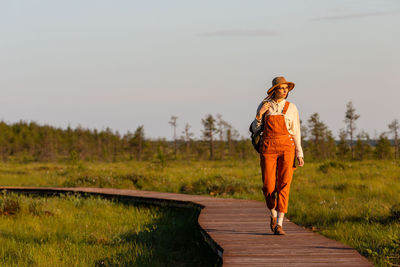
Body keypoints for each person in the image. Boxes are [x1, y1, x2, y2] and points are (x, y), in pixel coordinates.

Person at [251, 76, 304, 235]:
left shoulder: (292, 107)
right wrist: (259, 114)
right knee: (268, 185)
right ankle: (272, 213)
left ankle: (279, 224)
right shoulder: (264, 105)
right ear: (274, 90)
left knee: (284, 184)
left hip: (287, 146)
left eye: (286, 88)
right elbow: (254, 129)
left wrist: (299, 152)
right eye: (281, 88)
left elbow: (296, 132)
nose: (284, 91)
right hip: (268, 146)